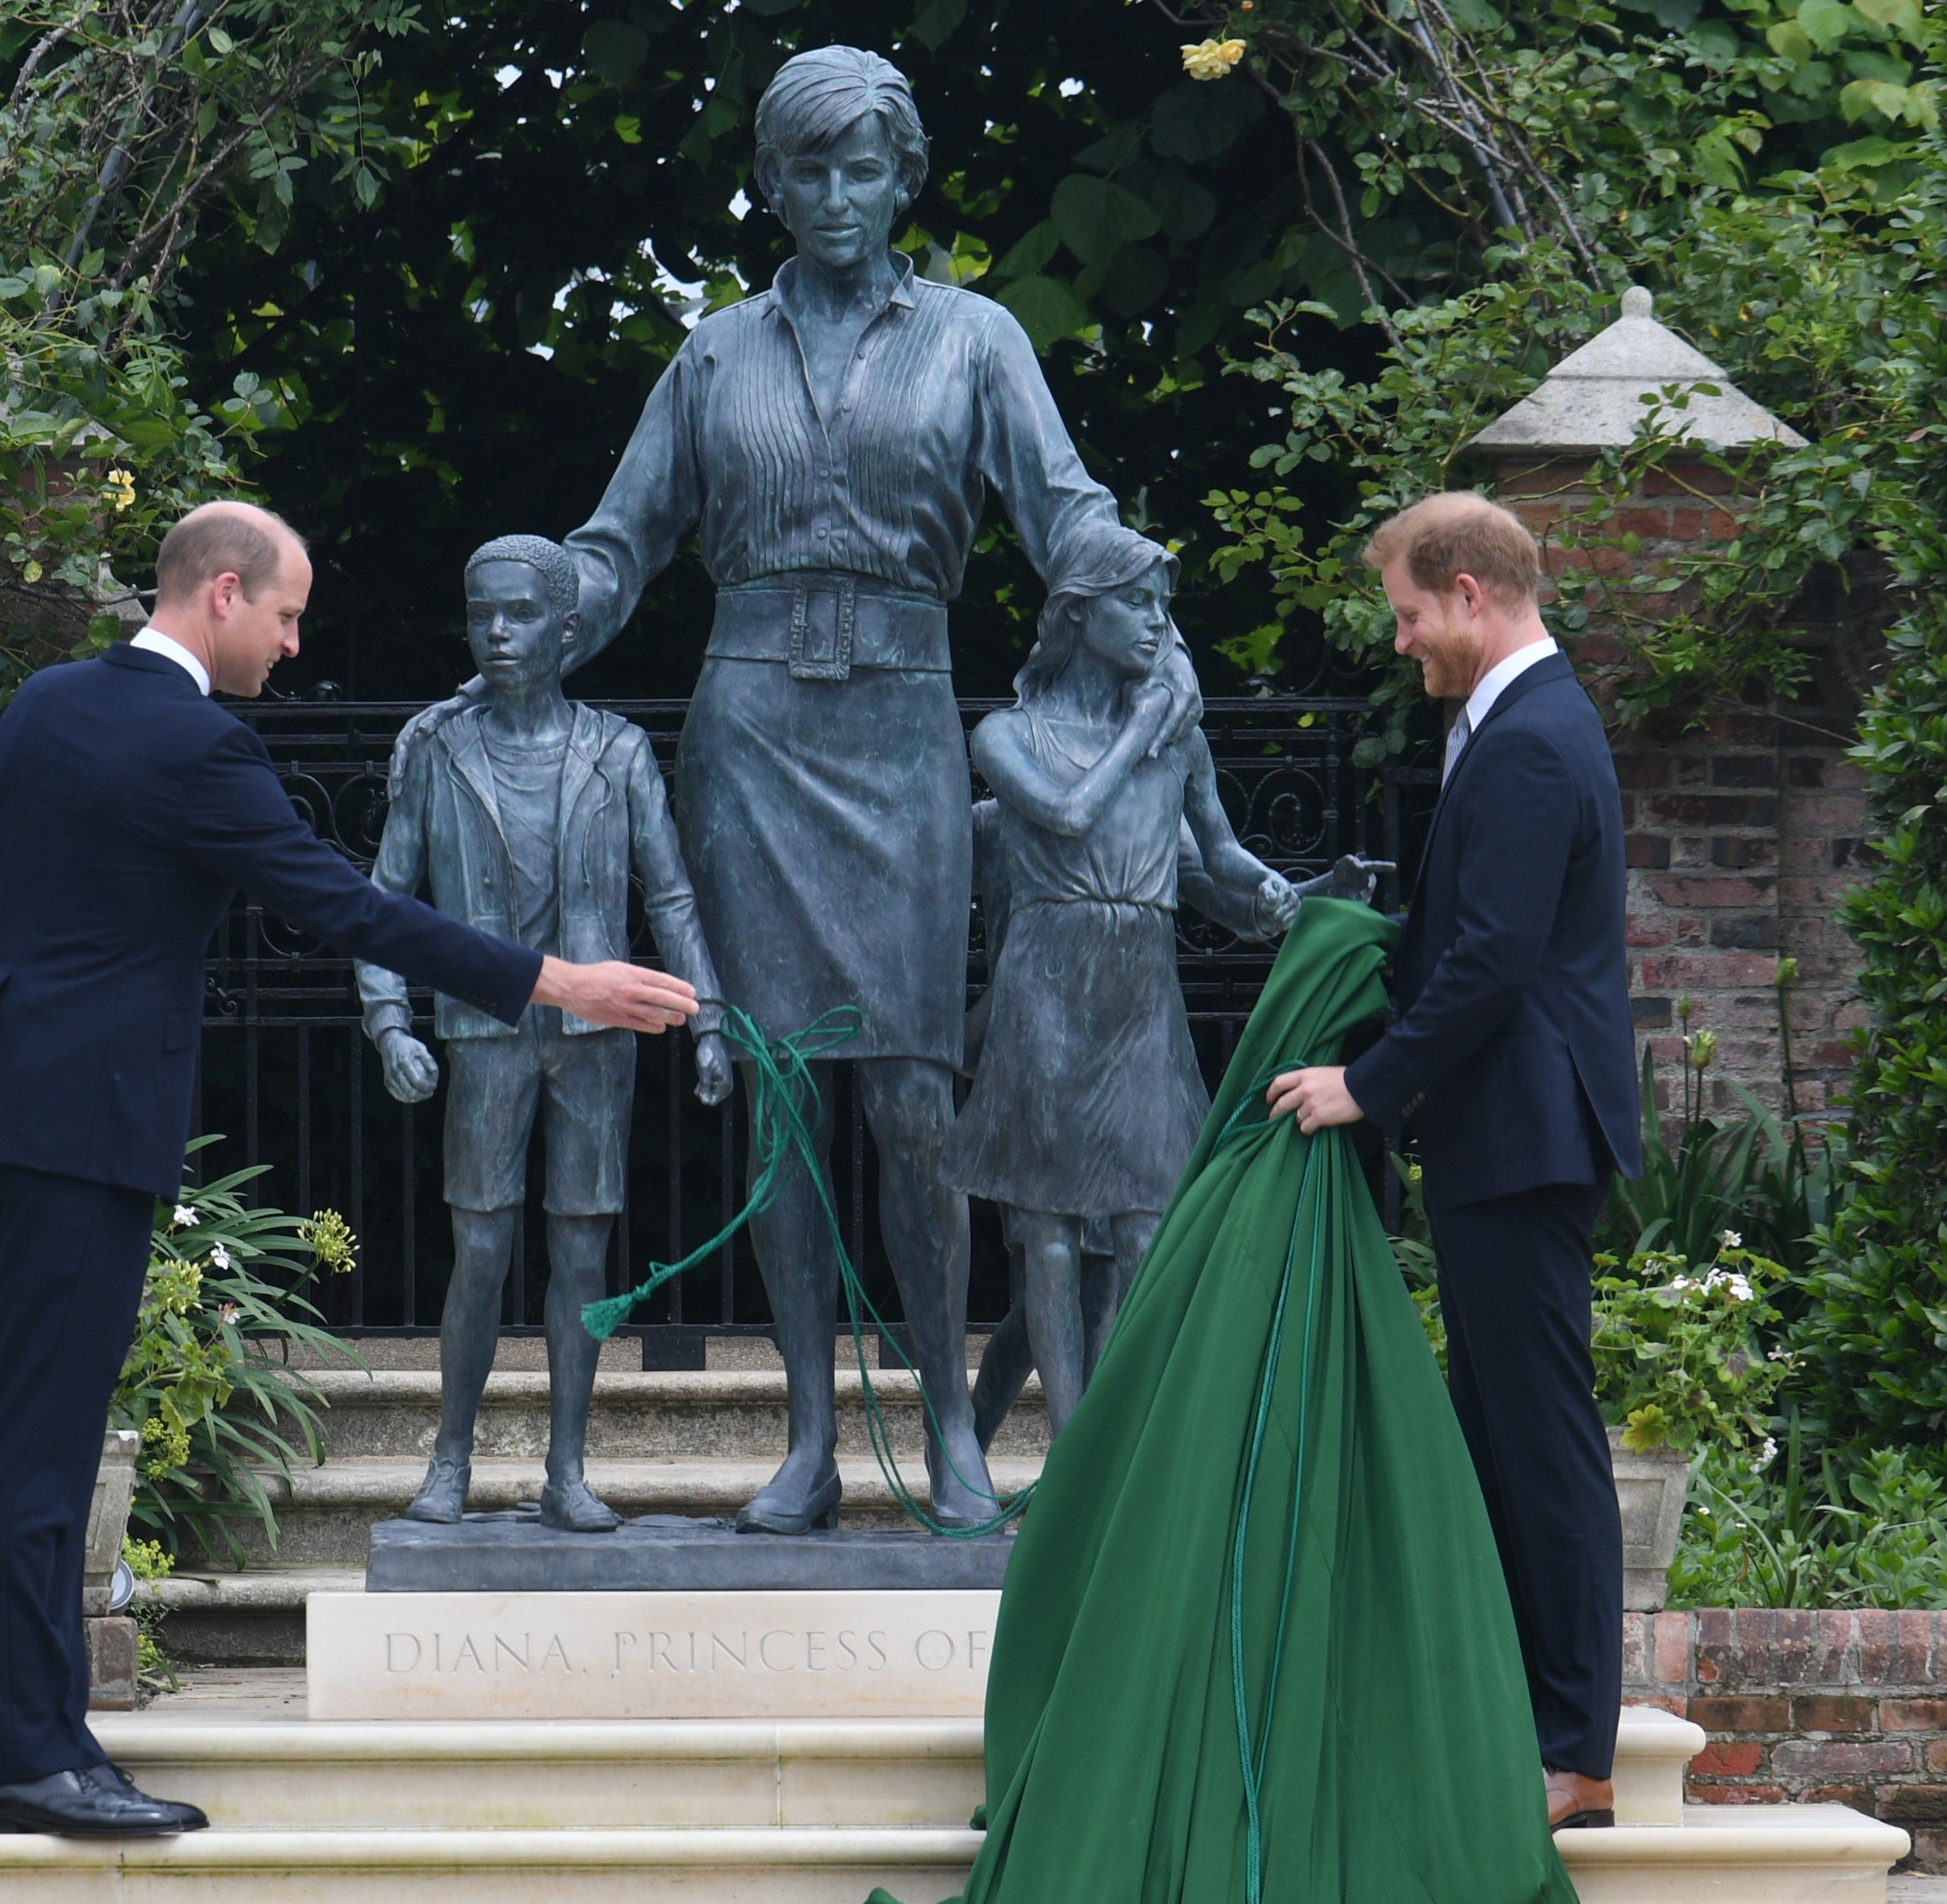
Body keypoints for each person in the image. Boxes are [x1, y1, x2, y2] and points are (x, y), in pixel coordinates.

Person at [0, 500, 699, 1837]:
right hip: (86, 1128)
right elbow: (348, 905)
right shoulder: (197, 743)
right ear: (218, 594)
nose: (295, 642)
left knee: (34, 1442)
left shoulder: (41, 707)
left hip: (7, 1114)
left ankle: (39, 1746)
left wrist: (15, 1049)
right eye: (286, 612)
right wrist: (563, 980)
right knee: (46, 1450)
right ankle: (33, 1764)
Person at [436, 47, 1145, 1533]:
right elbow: (619, 544)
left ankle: (952, 1426)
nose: (835, 194)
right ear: (773, 182)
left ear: (907, 177)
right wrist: (531, 621)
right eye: (807, 168)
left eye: (862, 166)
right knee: (778, 1102)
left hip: (898, 728)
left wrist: (1140, 606)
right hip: (750, 734)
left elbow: (1062, 507)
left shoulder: (975, 339)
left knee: (910, 1097)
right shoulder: (712, 356)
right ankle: (814, 1439)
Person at [1263, 489, 1640, 1831]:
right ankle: (1523, 1723)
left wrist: (1367, 1084)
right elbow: (1452, 944)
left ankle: (1577, 1754)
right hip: (1500, 1135)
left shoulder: (1534, 737)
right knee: (1497, 1437)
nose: (1405, 643)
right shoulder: (1505, 724)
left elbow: (1492, 956)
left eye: (1412, 616)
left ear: (1472, 595)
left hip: (1528, 1138)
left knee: (1540, 1445)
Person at [358, 535, 732, 1533]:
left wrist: (710, 1020)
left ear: (567, 631)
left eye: (519, 614)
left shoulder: (616, 751)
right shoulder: (438, 750)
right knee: (479, 1252)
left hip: (595, 1041)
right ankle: (452, 1458)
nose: (496, 633)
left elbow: (673, 893)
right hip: (483, 1037)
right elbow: (382, 901)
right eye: (482, 613)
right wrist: (389, 1019)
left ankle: (568, 1469)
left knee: (582, 1257)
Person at [945, 531, 1302, 1434]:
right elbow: (1066, 815)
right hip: (1047, 984)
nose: (1157, 622)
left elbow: (1218, 856)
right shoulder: (1007, 734)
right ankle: (1071, 1452)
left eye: (1163, 606)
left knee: (1149, 1223)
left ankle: (1120, 1436)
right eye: (1136, 602)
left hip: (1140, 990)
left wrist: (1274, 895)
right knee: (1052, 1238)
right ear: (1075, 615)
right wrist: (1144, 727)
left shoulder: (1179, 746)